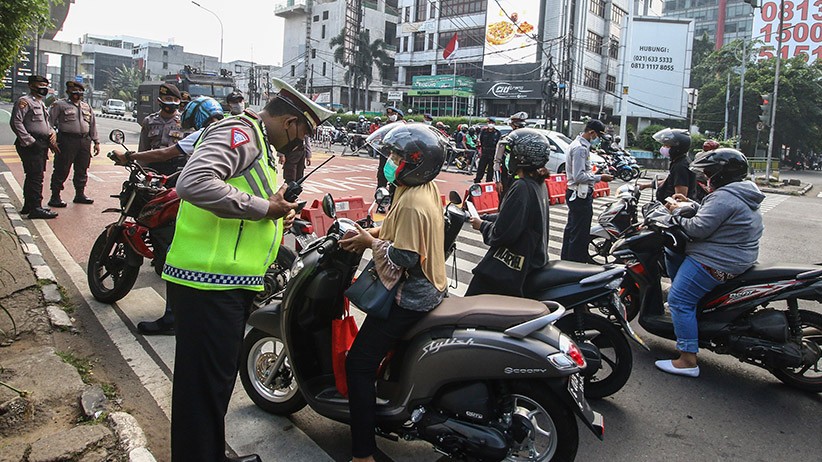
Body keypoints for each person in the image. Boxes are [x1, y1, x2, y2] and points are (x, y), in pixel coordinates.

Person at [161, 78, 334, 462]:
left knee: (213, 383)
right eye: (303, 133)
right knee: (204, 386)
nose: (301, 143)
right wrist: (265, 210)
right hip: (207, 283)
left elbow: (247, 203)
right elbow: (194, 183)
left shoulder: (261, 145)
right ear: (290, 122)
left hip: (226, 283)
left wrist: (275, 219)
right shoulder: (240, 132)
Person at [339, 123, 447, 462]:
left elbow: (404, 256)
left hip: (412, 296)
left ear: (415, 163)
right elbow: (396, 228)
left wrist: (371, 242)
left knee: (358, 363)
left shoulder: (413, 201)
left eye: (396, 156)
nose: (389, 160)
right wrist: (370, 232)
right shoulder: (422, 188)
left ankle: (362, 454)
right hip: (431, 287)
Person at [112, 96, 225, 336]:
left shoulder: (207, 133)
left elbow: (164, 153)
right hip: (227, 203)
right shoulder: (233, 131)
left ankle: (172, 317)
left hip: (203, 203)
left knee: (173, 252)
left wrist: (130, 157)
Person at [656, 149, 763, 377]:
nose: (706, 177)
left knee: (679, 300)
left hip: (716, 261)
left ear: (720, 174)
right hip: (737, 258)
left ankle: (687, 359)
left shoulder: (724, 196)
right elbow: (712, 216)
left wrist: (675, 212)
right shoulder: (740, 192)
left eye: (709, 173)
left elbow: (698, 228)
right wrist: (691, 205)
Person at [465, 128, 551, 297]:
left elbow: (502, 234)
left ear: (522, 157)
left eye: (510, 153)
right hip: (535, 258)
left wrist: (482, 225)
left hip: (518, 264)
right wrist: (487, 217)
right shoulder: (537, 184)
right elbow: (518, 217)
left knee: (479, 287)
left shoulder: (521, 187)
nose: (507, 158)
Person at [560, 119, 614, 262]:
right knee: (580, 232)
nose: (596, 139)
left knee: (572, 228)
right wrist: (600, 177)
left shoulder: (578, 145)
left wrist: (595, 173)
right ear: (591, 132)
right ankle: (576, 262)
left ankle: (566, 259)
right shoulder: (580, 148)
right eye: (596, 136)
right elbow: (578, 176)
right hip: (579, 194)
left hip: (576, 192)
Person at [9, 75, 59, 219]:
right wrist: (30, 141)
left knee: (34, 175)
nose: (43, 88)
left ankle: (29, 205)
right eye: (40, 85)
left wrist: (51, 133)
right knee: (35, 176)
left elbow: (45, 124)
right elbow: (16, 123)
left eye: (45, 85)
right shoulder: (25, 102)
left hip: (41, 143)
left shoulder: (41, 103)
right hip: (31, 144)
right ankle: (35, 208)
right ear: (31, 86)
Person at [47, 81, 99, 207]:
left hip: (84, 141)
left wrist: (96, 141)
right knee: (62, 168)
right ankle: (55, 196)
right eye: (73, 92)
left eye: (79, 92)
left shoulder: (86, 107)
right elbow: (49, 122)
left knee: (82, 168)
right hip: (66, 140)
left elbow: (92, 125)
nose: (76, 94)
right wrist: (51, 137)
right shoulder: (59, 105)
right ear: (68, 92)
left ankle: (80, 194)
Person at [139, 83, 185, 174]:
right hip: (154, 167)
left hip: (177, 169)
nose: (172, 102)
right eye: (168, 99)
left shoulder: (185, 122)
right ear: (159, 100)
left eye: (175, 100)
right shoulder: (149, 121)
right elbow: (143, 149)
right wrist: (141, 171)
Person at [640, 128, 696, 201]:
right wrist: (645, 185)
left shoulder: (680, 167)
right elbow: (667, 181)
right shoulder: (678, 161)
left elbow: (680, 198)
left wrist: (665, 208)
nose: (663, 148)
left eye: (667, 146)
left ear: (677, 148)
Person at [493, 112, 528, 194]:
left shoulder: (528, 140)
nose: (520, 128)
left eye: (522, 126)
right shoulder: (506, 139)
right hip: (508, 178)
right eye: (518, 126)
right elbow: (497, 161)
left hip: (524, 179)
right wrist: (498, 181)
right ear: (512, 125)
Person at [377, 107, 405, 188]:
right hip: (386, 151)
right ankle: (380, 191)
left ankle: (393, 191)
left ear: (398, 115)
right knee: (382, 172)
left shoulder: (403, 126)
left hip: (397, 152)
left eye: (393, 114)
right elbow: (382, 137)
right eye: (389, 114)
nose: (390, 116)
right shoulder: (385, 125)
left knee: (396, 172)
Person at [475, 118, 501, 183]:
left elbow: (498, 142)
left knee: (491, 169)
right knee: (481, 167)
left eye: (492, 123)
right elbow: (481, 140)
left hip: (493, 152)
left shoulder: (497, 133)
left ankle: (489, 181)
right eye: (489, 123)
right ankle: (477, 180)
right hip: (485, 152)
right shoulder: (484, 131)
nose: (490, 124)